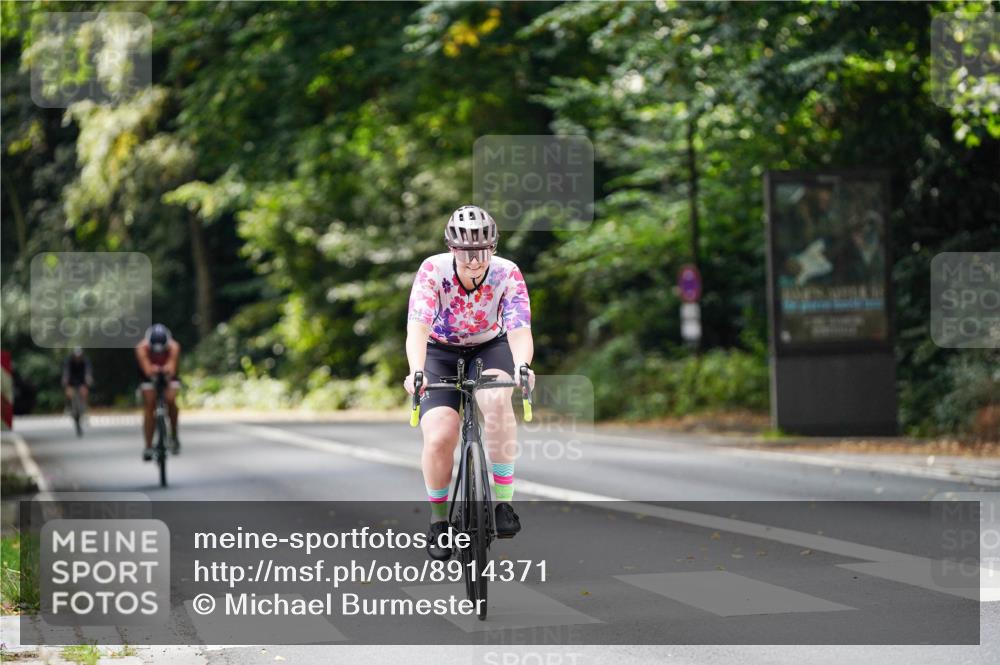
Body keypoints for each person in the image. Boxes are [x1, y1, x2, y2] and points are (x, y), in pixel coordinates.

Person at [404, 205, 535, 561]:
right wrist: (416, 370)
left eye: (481, 253)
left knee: (496, 402)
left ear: (492, 248)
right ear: (452, 249)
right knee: (441, 433)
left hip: (489, 347)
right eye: (466, 255)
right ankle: (439, 521)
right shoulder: (433, 270)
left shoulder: (507, 273)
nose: (475, 262)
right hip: (438, 350)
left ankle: (503, 505)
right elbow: (417, 325)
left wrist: (523, 366)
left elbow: (519, 328)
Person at [135, 324, 181, 461]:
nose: (159, 353)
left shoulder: (174, 346)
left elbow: (172, 366)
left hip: (168, 376)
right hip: (148, 377)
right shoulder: (141, 347)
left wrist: (166, 370)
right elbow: (146, 367)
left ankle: (173, 435)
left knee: (171, 400)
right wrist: (152, 369)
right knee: (149, 405)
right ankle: (148, 446)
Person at [62, 347, 93, 414]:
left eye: (79, 356)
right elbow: (66, 372)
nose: (77, 358)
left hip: (81, 380)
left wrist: (88, 378)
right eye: (76, 356)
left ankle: (85, 407)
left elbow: (88, 371)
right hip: (71, 380)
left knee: (84, 391)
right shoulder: (68, 361)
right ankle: (68, 406)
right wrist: (65, 379)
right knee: (68, 392)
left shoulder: (85, 361)